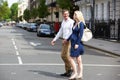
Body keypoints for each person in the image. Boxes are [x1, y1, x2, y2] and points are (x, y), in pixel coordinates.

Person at [51, 10, 74, 77]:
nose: (65, 15)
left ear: (69, 14)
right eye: (64, 14)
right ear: (63, 15)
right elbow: (60, 32)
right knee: (63, 56)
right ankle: (68, 71)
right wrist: (54, 40)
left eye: (66, 14)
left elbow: (72, 32)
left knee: (66, 56)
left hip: (69, 41)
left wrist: (67, 39)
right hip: (64, 40)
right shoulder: (63, 22)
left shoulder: (71, 22)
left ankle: (71, 68)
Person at [65, 11, 85, 80]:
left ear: (77, 16)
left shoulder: (81, 24)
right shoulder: (75, 23)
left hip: (77, 44)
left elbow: (81, 35)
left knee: (70, 58)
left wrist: (77, 43)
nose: (73, 15)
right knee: (79, 60)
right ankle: (80, 74)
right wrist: (67, 39)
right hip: (73, 43)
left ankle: (76, 73)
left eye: (74, 14)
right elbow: (72, 34)